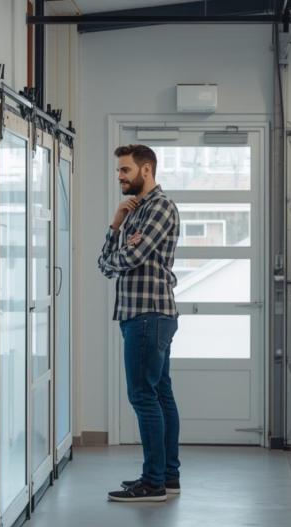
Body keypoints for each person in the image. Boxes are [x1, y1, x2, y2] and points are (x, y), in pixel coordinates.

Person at [97, 144, 181, 503]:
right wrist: (116, 225)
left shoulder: (160, 208)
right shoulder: (132, 212)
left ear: (146, 171)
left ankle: (154, 481)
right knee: (159, 395)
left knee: (144, 396)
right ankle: (166, 477)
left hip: (149, 315)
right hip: (139, 314)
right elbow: (105, 263)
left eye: (126, 170)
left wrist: (123, 250)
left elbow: (131, 256)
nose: (120, 177)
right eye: (119, 171)